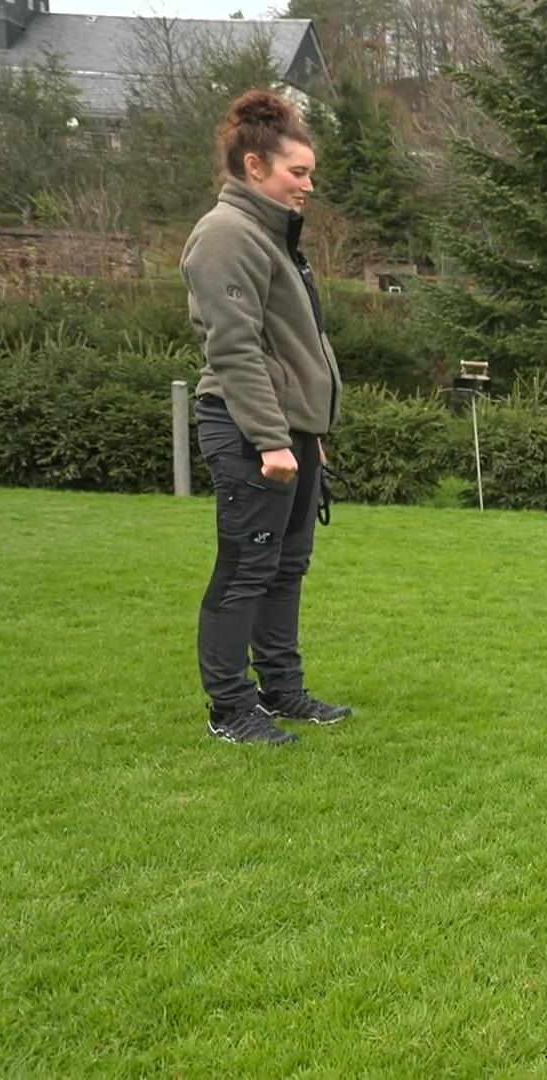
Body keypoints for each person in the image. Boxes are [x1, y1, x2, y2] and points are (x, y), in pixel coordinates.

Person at [183, 89, 349, 744]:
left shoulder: (273, 235)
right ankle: (230, 709)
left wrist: (310, 436)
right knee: (246, 567)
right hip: (250, 428)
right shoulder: (226, 235)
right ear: (255, 166)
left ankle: (282, 691)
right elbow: (234, 348)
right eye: (298, 172)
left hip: (291, 432)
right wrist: (273, 440)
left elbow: (297, 347)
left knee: (285, 567)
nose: (308, 184)